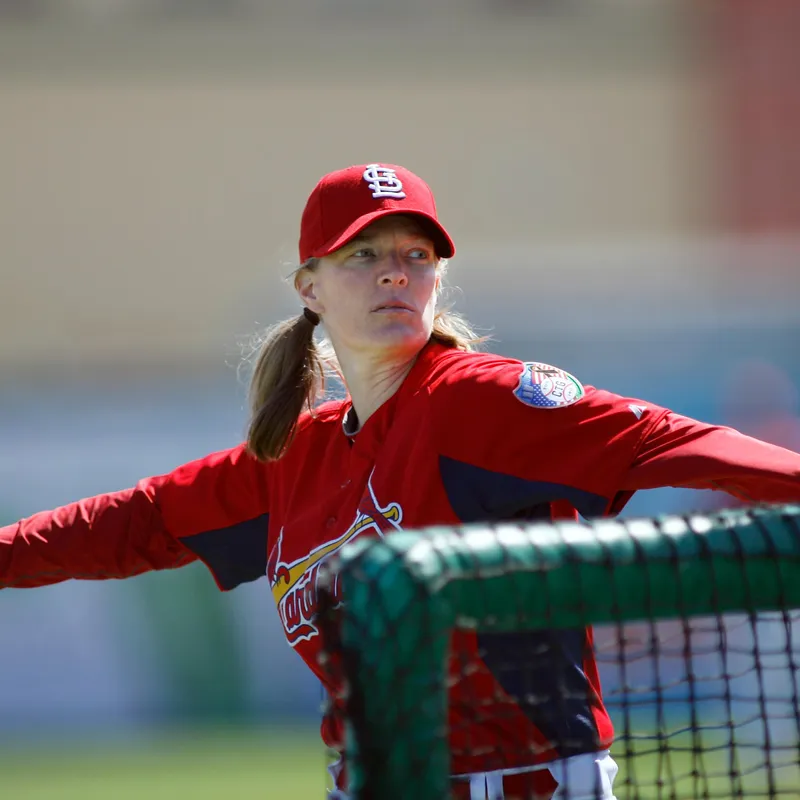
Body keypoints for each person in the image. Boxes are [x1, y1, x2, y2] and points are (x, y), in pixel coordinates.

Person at [2, 162, 799, 800]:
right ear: (310, 288)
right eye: (365, 255)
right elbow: (131, 523)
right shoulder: (293, 458)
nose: (395, 275)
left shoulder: (477, 403)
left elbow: (667, 439)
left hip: (524, 784)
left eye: (415, 256)